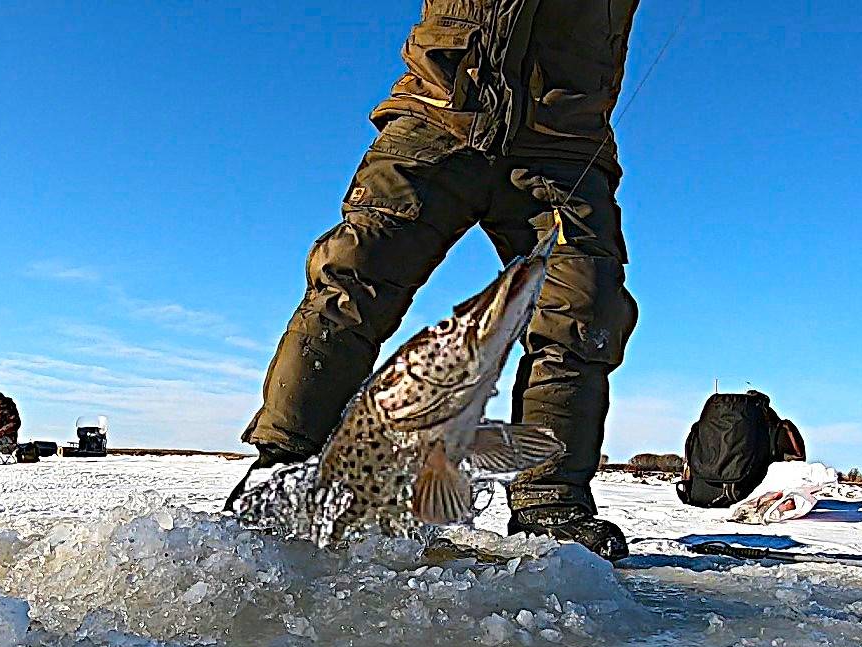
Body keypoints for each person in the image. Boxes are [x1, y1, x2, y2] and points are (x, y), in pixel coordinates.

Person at [236, 1, 642, 560]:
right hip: (437, 112)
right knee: (355, 276)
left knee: (584, 309)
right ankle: (284, 465)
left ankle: (551, 502)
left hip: (565, 145)